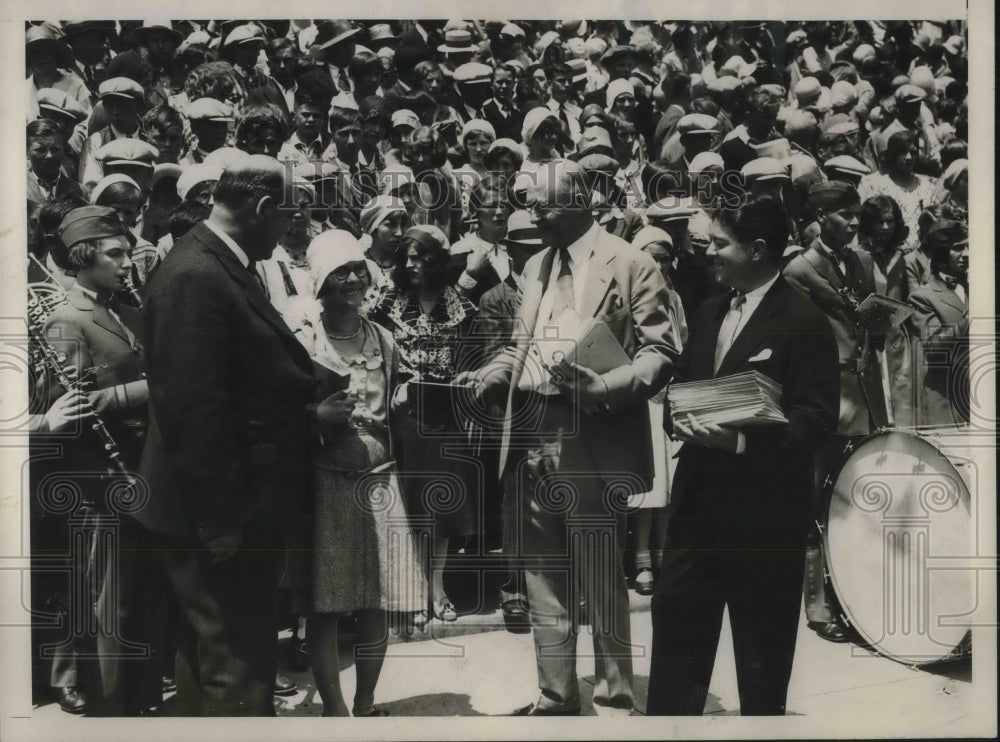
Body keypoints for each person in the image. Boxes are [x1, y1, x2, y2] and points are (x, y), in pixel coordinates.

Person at [472, 159, 677, 715]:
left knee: (598, 571)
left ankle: (614, 695)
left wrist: (605, 385)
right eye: (530, 205)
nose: (533, 214)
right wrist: (493, 373)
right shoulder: (536, 263)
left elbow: (662, 352)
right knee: (541, 573)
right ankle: (556, 695)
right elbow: (522, 342)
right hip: (533, 430)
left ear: (583, 200)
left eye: (544, 204)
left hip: (593, 431)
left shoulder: (631, 261)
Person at [135, 156, 327, 716]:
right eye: (292, 216)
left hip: (227, 503)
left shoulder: (216, 262)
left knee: (213, 657)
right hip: (217, 512)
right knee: (239, 664)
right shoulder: (197, 274)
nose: (298, 228)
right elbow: (193, 411)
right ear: (264, 209)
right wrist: (221, 520)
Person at [647, 194, 839, 716]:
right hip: (695, 516)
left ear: (757, 250)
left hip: (763, 521)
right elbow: (683, 387)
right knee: (675, 654)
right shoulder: (708, 312)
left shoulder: (804, 321)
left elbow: (817, 419)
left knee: (761, 665)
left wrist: (739, 441)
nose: (709, 252)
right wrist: (679, 415)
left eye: (720, 243)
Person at [283, 229, 426, 716]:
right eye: (339, 272)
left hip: (379, 480)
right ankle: (336, 711)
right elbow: (281, 410)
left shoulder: (383, 339)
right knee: (326, 606)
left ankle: (364, 704)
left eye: (358, 270)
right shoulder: (305, 339)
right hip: (326, 480)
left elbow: (392, 408)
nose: (352, 280)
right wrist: (317, 415)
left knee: (377, 601)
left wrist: (403, 402)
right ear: (320, 282)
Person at [42, 205, 156, 715]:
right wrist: (153, 390)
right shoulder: (67, 318)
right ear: (83, 257)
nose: (127, 262)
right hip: (97, 477)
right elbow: (78, 406)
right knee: (101, 592)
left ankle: (130, 689)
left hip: (140, 466)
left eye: (129, 251)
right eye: (115, 253)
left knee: (127, 590)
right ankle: (96, 691)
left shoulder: (125, 309)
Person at [783, 180, 886, 644]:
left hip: (866, 394)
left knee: (860, 501)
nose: (854, 222)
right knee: (821, 503)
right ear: (822, 218)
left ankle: (857, 601)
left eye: (857, 214)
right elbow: (799, 342)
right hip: (828, 400)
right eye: (845, 215)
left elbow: (875, 318)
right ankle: (819, 607)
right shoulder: (800, 270)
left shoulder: (862, 259)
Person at [369, 224, 479, 626]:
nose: (411, 264)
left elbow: (472, 361)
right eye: (406, 257)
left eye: (420, 257)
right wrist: (390, 384)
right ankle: (415, 590)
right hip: (404, 413)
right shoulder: (387, 300)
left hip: (446, 413)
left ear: (436, 260)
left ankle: (437, 588)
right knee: (412, 505)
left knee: (443, 505)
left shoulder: (460, 305)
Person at [908, 219, 970, 425]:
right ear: (941, 252)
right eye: (959, 248)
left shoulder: (983, 286)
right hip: (947, 401)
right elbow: (934, 349)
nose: (968, 253)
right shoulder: (923, 296)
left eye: (971, 246)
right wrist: (969, 321)